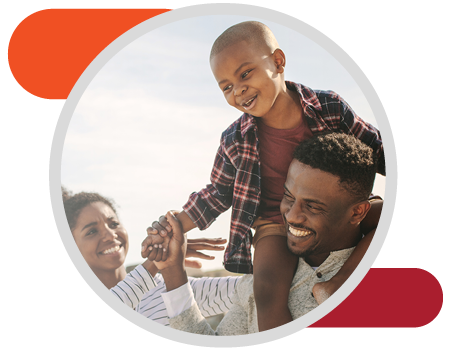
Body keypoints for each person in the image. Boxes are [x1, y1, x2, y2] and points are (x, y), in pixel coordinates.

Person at [143, 21, 384, 331]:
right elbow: (217, 193)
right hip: (273, 223)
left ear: (278, 61)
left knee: (389, 216)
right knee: (267, 289)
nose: (238, 89)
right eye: (226, 86)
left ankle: (338, 282)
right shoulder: (235, 138)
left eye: (245, 74)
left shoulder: (328, 107)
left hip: (332, 213)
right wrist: (173, 225)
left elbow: (378, 150)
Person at [147, 132, 378, 335]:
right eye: (288, 197)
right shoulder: (262, 278)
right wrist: (173, 271)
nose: (291, 216)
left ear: (358, 212)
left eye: (313, 206)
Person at [62, 187, 240, 326]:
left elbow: (251, 290)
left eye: (114, 223)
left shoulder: (169, 288)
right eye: (92, 231)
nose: (110, 235)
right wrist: (157, 261)